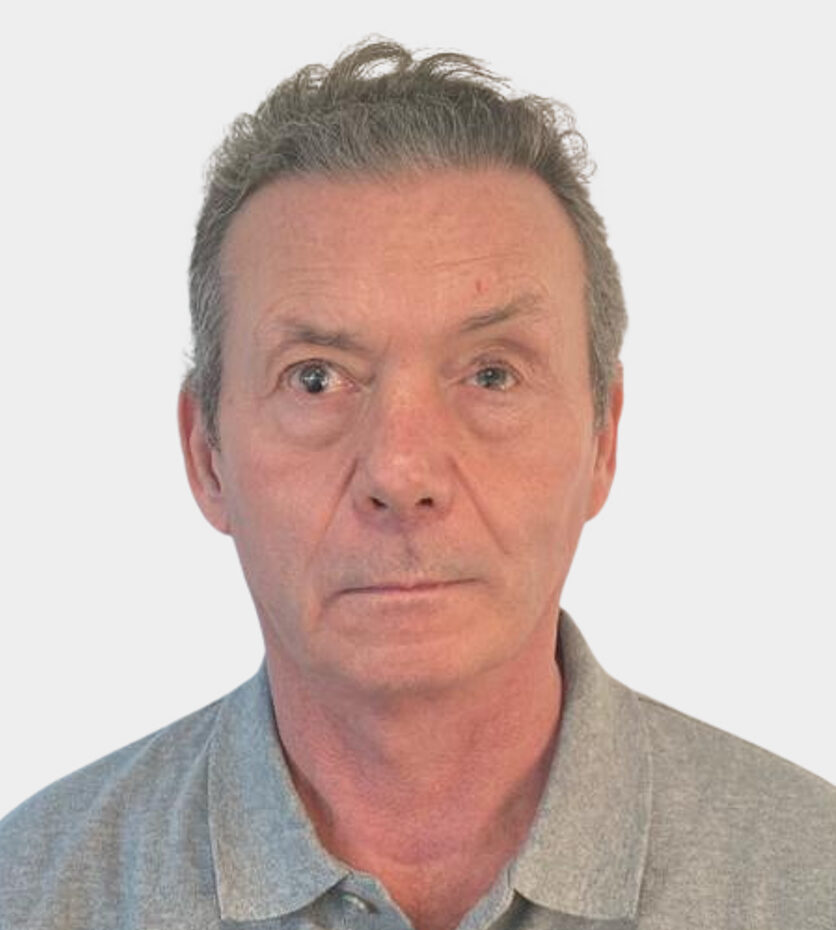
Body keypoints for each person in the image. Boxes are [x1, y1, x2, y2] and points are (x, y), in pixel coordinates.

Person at [1, 37, 834, 930]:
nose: (402, 475)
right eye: (316, 377)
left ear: (604, 437)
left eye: (491, 374)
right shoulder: (34, 894)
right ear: (206, 454)